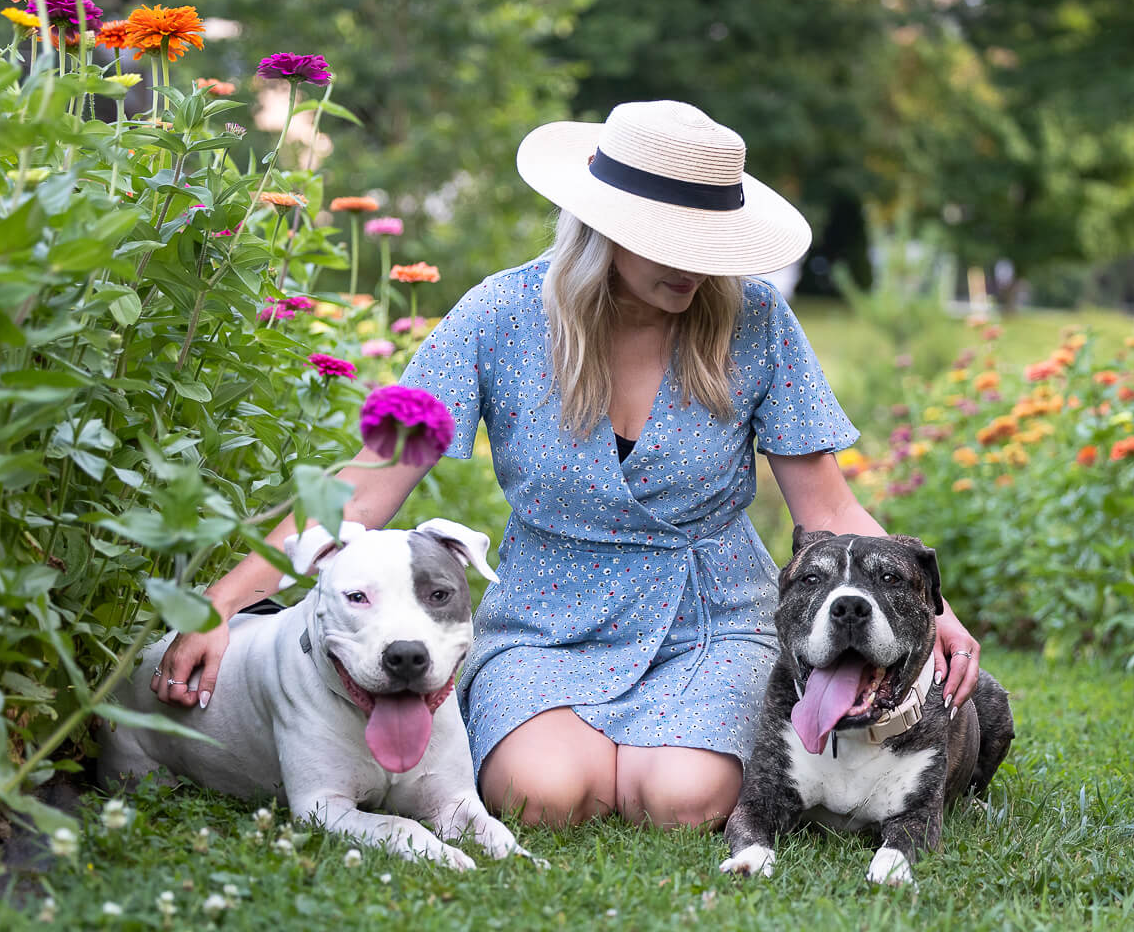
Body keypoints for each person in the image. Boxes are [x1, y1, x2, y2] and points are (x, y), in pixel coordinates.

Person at [152, 100, 984, 829]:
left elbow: (826, 506)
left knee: (687, 800)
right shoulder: (498, 317)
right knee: (537, 795)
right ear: (607, 224)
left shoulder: (755, 319)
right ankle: (593, 750)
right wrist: (221, 605)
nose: (693, 265)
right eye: (669, 240)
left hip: (712, 612)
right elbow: (371, 483)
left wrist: (928, 604)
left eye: (711, 240)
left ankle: (656, 755)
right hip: (549, 615)